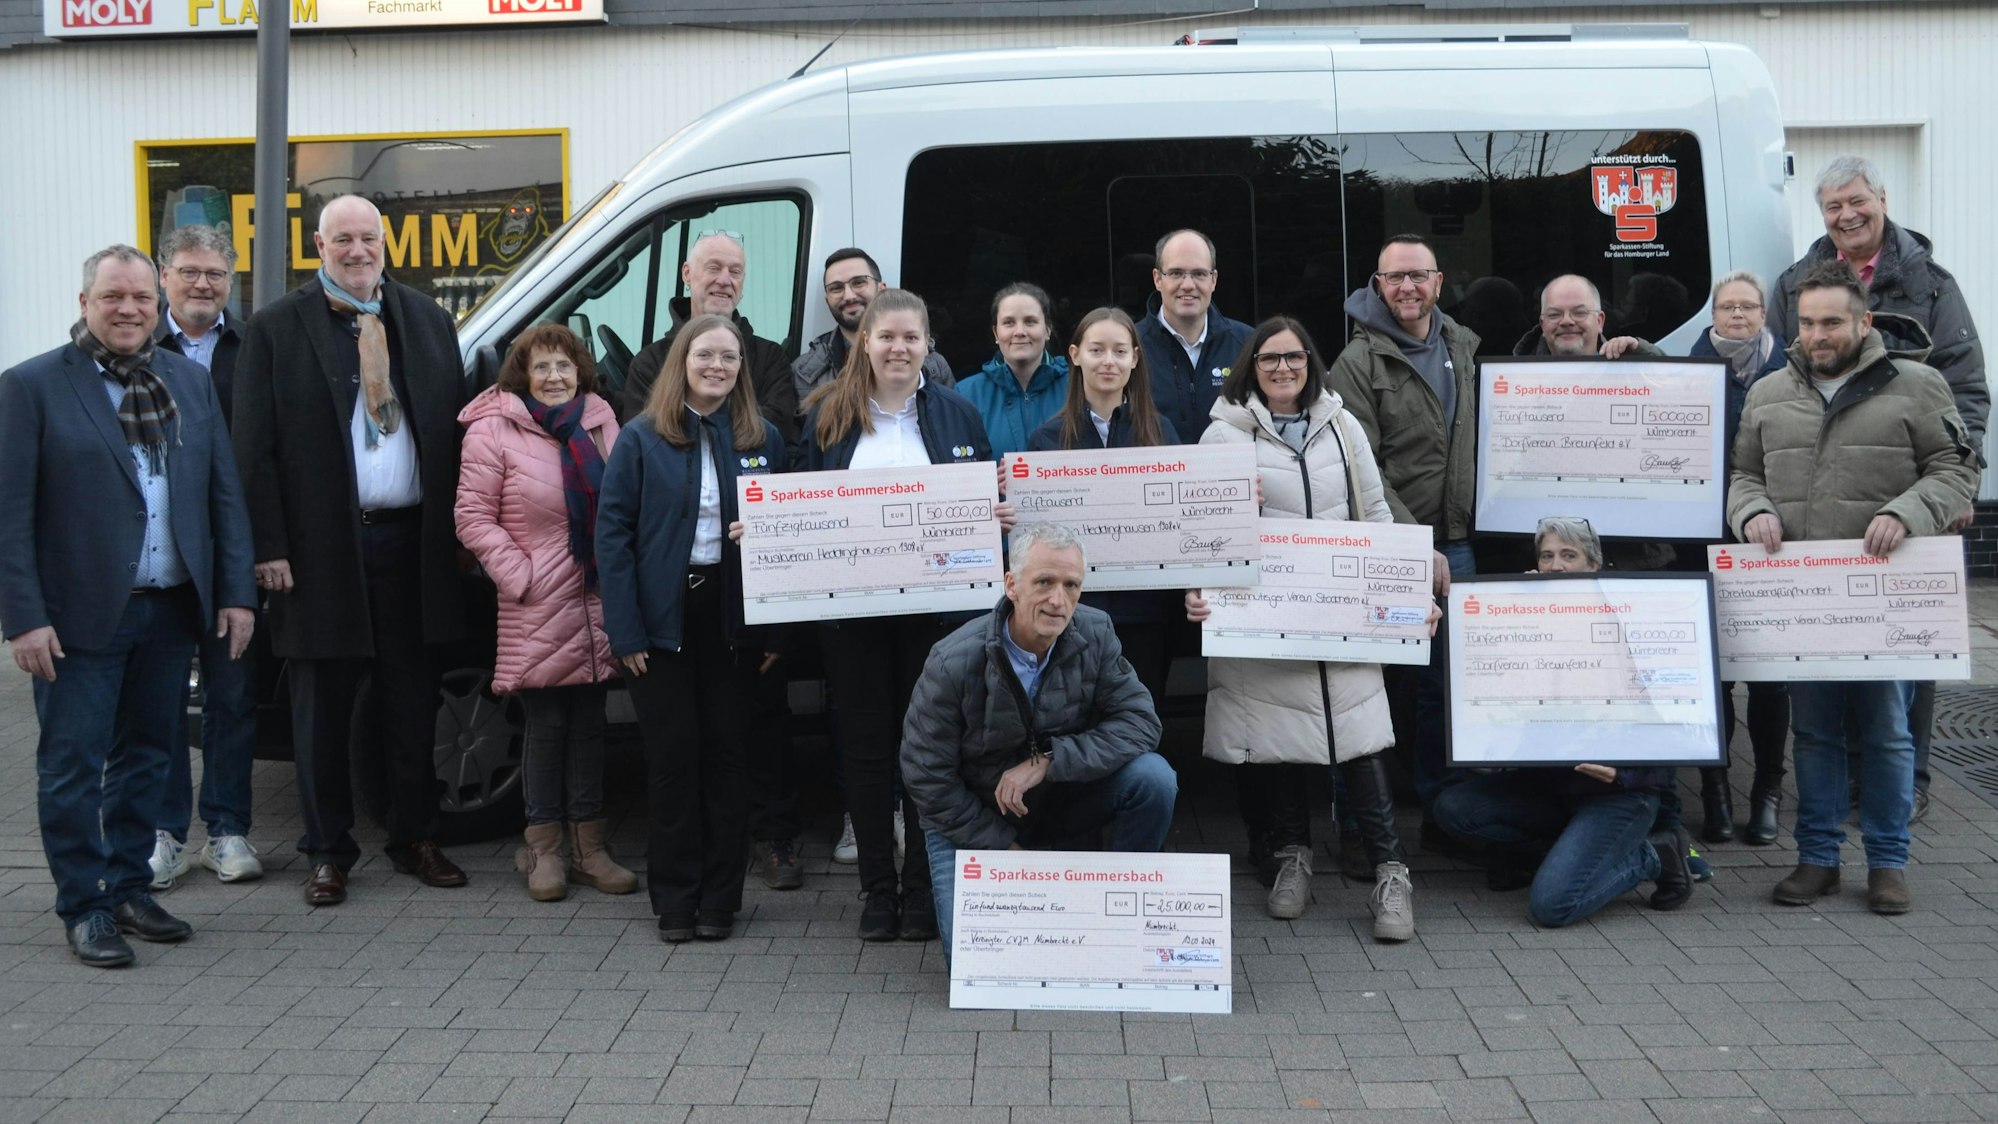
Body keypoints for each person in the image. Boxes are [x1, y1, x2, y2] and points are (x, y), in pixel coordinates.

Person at [0, 244, 255, 966]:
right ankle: (83, 905)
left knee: (152, 755)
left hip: (171, 608)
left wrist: (235, 594)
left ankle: (126, 884)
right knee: (74, 764)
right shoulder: (32, 386)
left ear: (157, 303)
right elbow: (9, 515)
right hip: (78, 617)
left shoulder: (185, 380)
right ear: (85, 303)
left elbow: (221, 494)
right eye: (113, 296)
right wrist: (22, 616)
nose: (129, 309)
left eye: (141, 297)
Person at [233, 194, 471, 907]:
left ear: (385, 242)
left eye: (368, 237)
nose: (357, 250)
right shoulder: (276, 328)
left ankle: (416, 837)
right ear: (319, 245)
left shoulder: (427, 321)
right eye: (343, 239)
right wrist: (268, 546)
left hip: (410, 545)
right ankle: (328, 852)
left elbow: (452, 438)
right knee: (321, 713)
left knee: (411, 703)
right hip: (318, 552)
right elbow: (255, 450)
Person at [1729, 262, 1979, 915]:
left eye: (1832, 321)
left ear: (1863, 322)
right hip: (1806, 602)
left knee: (1887, 733)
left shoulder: (1918, 386)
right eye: (1808, 322)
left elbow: (1957, 469)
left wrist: (1907, 513)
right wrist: (1750, 511)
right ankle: (1817, 859)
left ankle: (1888, 863)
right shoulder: (1768, 392)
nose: (1818, 334)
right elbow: (1742, 474)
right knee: (1812, 735)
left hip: (1884, 598)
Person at [1184, 316, 1429, 940]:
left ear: (1310, 363)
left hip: (1340, 614)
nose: (1283, 369)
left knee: (1361, 740)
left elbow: (1375, 512)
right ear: (1251, 367)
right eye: (1269, 359)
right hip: (1264, 620)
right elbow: (1203, 534)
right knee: (1279, 741)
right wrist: (1198, 592)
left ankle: (1390, 873)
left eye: (1294, 357)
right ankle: (1294, 857)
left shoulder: (1343, 427)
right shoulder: (1222, 438)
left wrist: (1408, 588)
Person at [1770, 155, 1989, 827]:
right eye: (1833, 206)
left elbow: (1967, 389)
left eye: (1857, 200)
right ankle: (1843, 789)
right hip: (1819, 499)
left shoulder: (1930, 283)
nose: (1847, 215)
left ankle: (1907, 783)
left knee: (1907, 652)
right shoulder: (1793, 284)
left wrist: (1956, 481)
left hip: (1903, 500)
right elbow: (1777, 379)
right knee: (1828, 649)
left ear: (1882, 199)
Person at [798, 288, 1010, 941]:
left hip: (936, 621)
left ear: (927, 345)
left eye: (910, 338)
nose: (897, 348)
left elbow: (980, 500)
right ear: (864, 341)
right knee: (865, 754)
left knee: (927, 754)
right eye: (885, 336)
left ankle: (921, 886)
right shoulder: (826, 417)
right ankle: (875, 889)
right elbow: (800, 504)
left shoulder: (956, 416)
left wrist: (993, 515)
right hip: (853, 620)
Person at [598, 314, 788, 942]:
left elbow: (792, 537)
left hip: (733, 620)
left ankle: (720, 901)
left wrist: (774, 631)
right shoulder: (641, 438)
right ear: (682, 359)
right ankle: (675, 899)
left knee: (729, 760)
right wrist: (625, 634)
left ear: (741, 370)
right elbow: (613, 538)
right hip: (661, 623)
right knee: (673, 761)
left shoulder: (763, 437)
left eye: (729, 358)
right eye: (705, 354)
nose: (717, 366)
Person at [902, 522, 1176, 951]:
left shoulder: (1096, 633)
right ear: (1011, 584)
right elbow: (927, 779)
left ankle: (1124, 905)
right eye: (1044, 582)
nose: (1058, 600)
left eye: (1071, 585)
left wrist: (1049, 758)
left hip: (1058, 800)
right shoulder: (952, 660)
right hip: (970, 819)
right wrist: (1004, 850)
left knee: (1153, 778)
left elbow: (1141, 722)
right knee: (979, 969)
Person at [1429, 517, 1694, 926]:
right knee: (1453, 809)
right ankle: (1556, 853)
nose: (1555, 566)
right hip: (1551, 785)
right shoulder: (1524, 619)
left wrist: (1625, 770)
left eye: (1569, 556)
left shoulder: (1632, 621)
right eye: (1547, 556)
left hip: (1618, 791)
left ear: (1594, 566)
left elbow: (1675, 718)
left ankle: (1655, 854)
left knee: (1552, 907)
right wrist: (1510, 614)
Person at [455, 324, 637, 903]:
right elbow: (473, 517)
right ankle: (544, 847)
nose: (555, 377)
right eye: (542, 368)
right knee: (547, 723)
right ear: (522, 376)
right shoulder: (494, 430)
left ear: (580, 371)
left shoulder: (600, 419)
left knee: (591, 722)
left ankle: (589, 848)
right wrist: (520, 575)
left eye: (564, 366)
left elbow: (623, 501)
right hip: (537, 600)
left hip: (597, 598)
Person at [1326, 234, 1481, 861]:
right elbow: (1364, 469)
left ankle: (1443, 815)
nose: (1408, 288)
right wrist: (1410, 542)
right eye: (1395, 279)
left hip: (1461, 544)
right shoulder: (1355, 364)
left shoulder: (1464, 348)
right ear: (1377, 286)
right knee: (1374, 689)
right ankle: (1364, 826)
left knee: (1445, 692)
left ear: (1438, 282)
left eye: (1418, 276)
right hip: (1391, 544)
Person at [147, 223, 262, 888]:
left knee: (233, 696)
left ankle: (227, 830)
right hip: (160, 556)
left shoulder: (253, 347)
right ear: (165, 276)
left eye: (215, 273)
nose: (202, 284)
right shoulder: (136, 346)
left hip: (231, 551)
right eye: (189, 271)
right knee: (160, 699)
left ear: (232, 279)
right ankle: (163, 832)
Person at [1026, 308, 1182, 702]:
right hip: (1072, 614)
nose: (1108, 361)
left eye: (1119, 351)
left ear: (1135, 358)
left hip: (1146, 612)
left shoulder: (1161, 433)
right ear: (1076, 355)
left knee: (1141, 719)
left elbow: (1185, 518)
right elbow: (1033, 534)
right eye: (1097, 350)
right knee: (1074, 720)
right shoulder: (1046, 440)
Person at [1689, 270, 1792, 846]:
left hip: (1770, 541)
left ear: (1763, 314)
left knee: (1771, 678)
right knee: (1717, 676)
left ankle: (1769, 793)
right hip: (1706, 540)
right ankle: (1717, 793)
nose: (1736, 316)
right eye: (1726, 307)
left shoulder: (1790, 371)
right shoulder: (1686, 366)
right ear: (1713, 314)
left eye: (1747, 307)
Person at [1513, 274, 1674, 572]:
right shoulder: (1511, 382)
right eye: (1555, 314)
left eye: (1578, 312)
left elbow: (1680, 387)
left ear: (1600, 320)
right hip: (1552, 558)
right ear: (1542, 322)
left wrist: (1642, 352)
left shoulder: (1633, 363)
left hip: (1633, 556)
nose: (1566, 321)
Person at [620, 232, 798, 444]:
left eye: (735, 271)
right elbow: (643, 442)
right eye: (713, 268)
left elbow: (779, 434)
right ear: (687, 273)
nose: (724, 280)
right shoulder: (649, 363)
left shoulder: (770, 359)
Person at [793, 246, 955, 409]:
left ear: (881, 288)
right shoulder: (804, 372)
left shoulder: (933, 366)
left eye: (859, 283)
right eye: (836, 288)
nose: (849, 296)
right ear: (827, 299)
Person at [1135, 229, 1255, 444]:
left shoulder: (1248, 344)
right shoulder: (1128, 347)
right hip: (1156, 476)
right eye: (1176, 273)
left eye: (1199, 274)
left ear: (1214, 280)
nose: (1188, 285)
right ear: (1157, 279)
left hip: (1231, 475)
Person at [954, 282, 1069, 458]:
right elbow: (960, 466)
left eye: (1030, 322)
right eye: (1009, 323)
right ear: (996, 333)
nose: (1020, 331)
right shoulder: (966, 394)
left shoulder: (1077, 388)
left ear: (1047, 330)